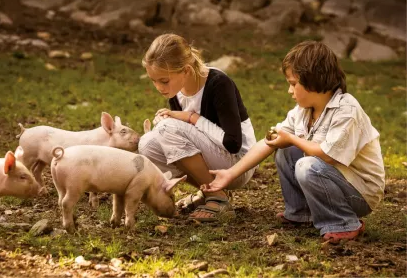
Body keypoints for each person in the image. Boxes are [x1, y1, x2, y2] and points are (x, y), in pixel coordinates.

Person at [201, 40, 385, 243]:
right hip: (335, 181)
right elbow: (268, 142)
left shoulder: (347, 110)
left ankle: (343, 223)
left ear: (312, 80)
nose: (289, 91)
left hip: (360, 193)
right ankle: (301, 213)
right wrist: (230, 173)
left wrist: (292, 139)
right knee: (285, 150)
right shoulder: (303, 112)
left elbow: (327, 156)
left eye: (293, 84)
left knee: (308, 165)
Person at [138, 33, 257, 222]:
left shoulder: (218, 83)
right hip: (214, 161)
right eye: (154, 80)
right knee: (147, 144)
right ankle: (209, 191)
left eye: (164, 81)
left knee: (166, 129)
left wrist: (190, 118)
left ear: (185, 70)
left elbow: (232, 143)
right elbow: (182, 138)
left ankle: (217, 196)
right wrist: (169, 122)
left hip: (238, 165)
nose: (159, 87)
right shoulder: (175, 91)